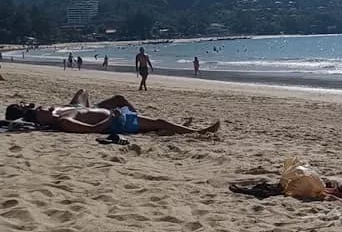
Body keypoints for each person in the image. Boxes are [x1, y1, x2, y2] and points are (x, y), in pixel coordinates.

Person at [5, 89, 220, 135]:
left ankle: (179, 128)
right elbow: (92, 129)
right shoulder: (63, 122)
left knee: (158, 121)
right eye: (39, 110)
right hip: (118, 123)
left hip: (114, 117)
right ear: (38, 118)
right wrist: (113, 118)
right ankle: (199, 132)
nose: (42, 107)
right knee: (160, 121)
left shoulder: (59, 115)